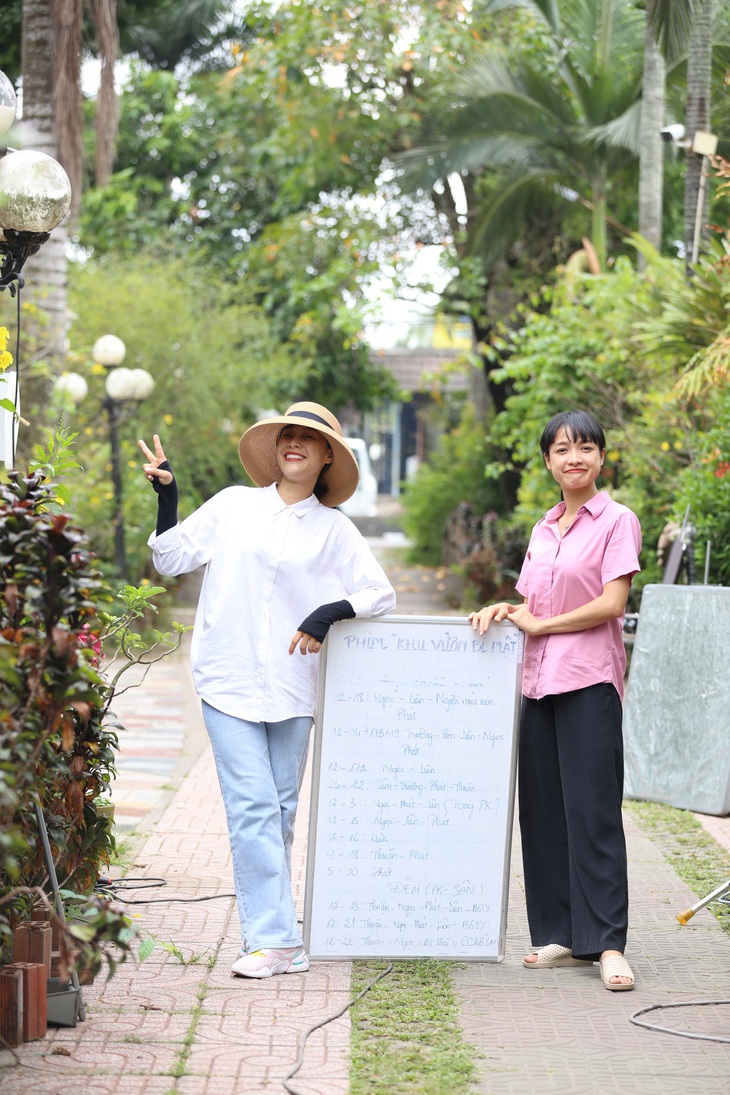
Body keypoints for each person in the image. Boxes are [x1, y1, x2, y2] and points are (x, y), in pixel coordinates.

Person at [139, 402, 396, 979]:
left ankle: (274, 931)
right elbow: (172, 558)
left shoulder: (335, 529)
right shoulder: (234, 505)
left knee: (278, 813)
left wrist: (329, 612)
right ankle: (277, 940)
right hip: (226, 678)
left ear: (328, 455)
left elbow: (379, 593)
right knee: (253, 806)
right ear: (275, 447)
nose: (295, 443)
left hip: (293, 687)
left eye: (309, 438)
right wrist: (168, 497)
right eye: (287, 435)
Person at [469, 410, 641, 991]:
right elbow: (529, 605)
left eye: (586, 448)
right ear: (547, 461)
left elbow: (611, 603)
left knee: (592, 814)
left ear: (600, 458)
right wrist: (503, 611)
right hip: (536, 685)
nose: (575, 458)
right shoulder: (544, 528)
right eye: (563, 449)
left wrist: (543, 627)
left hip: (589, 682)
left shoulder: (617, 521)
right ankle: (560, 936)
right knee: (542, 813)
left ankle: (609, 944)